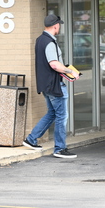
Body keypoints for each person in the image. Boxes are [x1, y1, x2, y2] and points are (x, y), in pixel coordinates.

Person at [23, 14, 80, 158]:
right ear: (55, 25)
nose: (59, 27)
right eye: (59, 24)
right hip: (54, 85)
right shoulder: (49, 42)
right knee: (61, 116)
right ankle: (60, 149)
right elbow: (54, 64)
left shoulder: (40, 40)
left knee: (52, 113)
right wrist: (70, 71)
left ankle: (31, 139)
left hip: (45, 85)